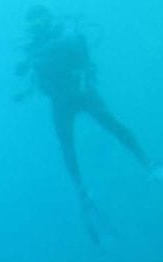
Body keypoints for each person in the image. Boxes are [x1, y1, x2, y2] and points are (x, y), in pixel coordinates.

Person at [15, 6, 160, 242]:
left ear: (49, 20)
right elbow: (31, 77)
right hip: (61, 101)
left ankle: (148, 163)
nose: (37, 26)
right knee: (68, 148)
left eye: (40, 21)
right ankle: (81, 191)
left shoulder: (62, 33)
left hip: (81, 91)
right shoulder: (33, 48)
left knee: (114, 127)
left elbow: (72, 44)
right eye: (33, 24)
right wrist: (26, 85)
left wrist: (36, 56)